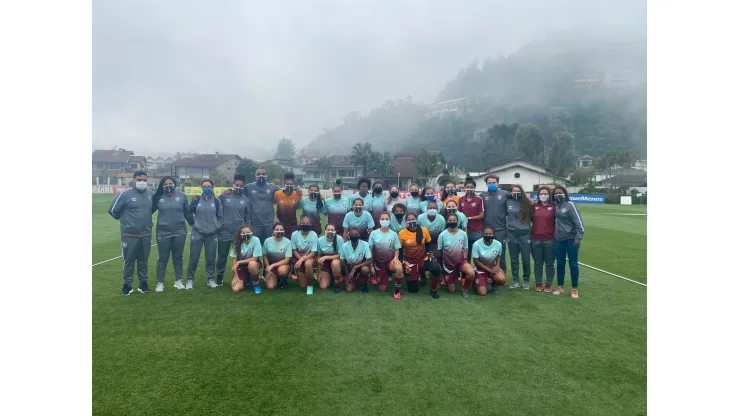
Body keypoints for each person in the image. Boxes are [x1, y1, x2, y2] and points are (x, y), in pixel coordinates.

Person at [108, 171, 154, 295]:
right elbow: (112, 210)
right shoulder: (125, 194)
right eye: (139, 179)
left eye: (144, 180)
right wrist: (127, 223)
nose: (142, 182)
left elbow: (152, 209)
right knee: (129, 262)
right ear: (134, 180)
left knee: (143, 261)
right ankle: (127, 285)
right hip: (129, 235)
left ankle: (143, 284)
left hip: (146, 234)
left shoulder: (150, 194)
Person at [152, 176, 193, 292]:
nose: (168, 186)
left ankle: (178, 281)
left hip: (179, 231)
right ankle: (160, 282)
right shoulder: (158, 197)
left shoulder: (182, 196)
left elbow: (188, 213)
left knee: (178, 257)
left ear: (175, 184)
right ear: (162, 185)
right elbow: (148, 210)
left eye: (171, 183)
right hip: (163, 231)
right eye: (165, 184)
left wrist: (194, 224)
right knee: (162, 258)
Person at [186, 179, 224, 289]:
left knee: (211, 258)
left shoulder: (216, 201)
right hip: (197, 233)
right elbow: (189, 211)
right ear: (201, 188)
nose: (206, 188)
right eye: (204, 186)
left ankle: (210, 279)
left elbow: (221, 217)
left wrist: (216, 227)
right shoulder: (196, 199)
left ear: (212, 188)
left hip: (212, 234)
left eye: (209, 186)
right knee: (194, 257)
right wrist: (194, 224)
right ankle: (189, 280)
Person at [216, 173, 250, 286]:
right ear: (233, 184)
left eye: (241, 185)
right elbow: (215, 205)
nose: (238, 187)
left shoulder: (245, 200)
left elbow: (247, 217)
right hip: (224, 231)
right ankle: (219, 277)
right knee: (222, 255)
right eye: (237, 185)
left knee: (239, 256)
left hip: (239, 233)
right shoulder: (225, 195)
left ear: (244, 186)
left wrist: (247, 231)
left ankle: (239, 276)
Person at [398, 213, 442, 299]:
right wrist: (401, 260)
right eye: (409, 219)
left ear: (416, 220)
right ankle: (420, 276)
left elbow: (428, 243)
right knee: (413, 290)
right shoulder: (402, 233)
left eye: (413, 219)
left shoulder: (424, 230)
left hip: (423, 257)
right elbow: (400, 249)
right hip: (409, 260)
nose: (411, 221)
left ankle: (433, 289)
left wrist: (430, 253)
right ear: (406, 222)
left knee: (436, 267)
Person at [552, 186, 585, 299]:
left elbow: (579, 222)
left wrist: (578, 238)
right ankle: (560, 287)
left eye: (560, 193)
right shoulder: (555, 205)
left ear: (565, 193)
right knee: (560, 263)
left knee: (573, 264)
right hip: (559, 238)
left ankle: (574, 289)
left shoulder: (571, 205)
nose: (558, 195)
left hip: (571, 239)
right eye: (555, 193)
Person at [437, 213, 475, 297]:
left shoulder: (463, 234)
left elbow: (465, 249)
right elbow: (439, 251)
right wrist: (442, 268)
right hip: (448, 265)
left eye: (454, 220)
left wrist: (464, 262)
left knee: (471, 273)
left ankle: (465, 288)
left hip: (460, 261)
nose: (452, 222)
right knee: (452, 291)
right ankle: (447, 278)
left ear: (457, 222)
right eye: (450, 220)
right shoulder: (442, 235)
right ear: (447, 222)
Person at [368, 213, 404, 297]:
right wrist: (371, 265)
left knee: (399, 268)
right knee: (382, 290)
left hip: (390, 261)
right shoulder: (373, 233)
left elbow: (397, 249)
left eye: (387, 219)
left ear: (390, 221)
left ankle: (397, 292)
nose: (384, 221)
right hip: (378, 262)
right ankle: (379, 275)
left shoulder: (394, 234)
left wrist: (395, 258)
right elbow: (370, 250)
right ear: (379, 221)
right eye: (382, 219)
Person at [506, 184, 533, 289]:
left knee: (526, 259)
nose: (516, 193)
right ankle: (516, 280)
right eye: (514, 191)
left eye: (518, 191)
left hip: (525, 234)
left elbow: (533, 218)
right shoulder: (508, 202)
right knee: (514, 259)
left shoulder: (527, 203)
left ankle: (526, 280)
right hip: (512, 234)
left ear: (521, 192)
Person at [482, 174, 510, 277]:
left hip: (500, 230)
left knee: (501, 254)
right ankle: (485, 275)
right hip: (486, 231)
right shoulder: (482, 196)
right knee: (485, 254)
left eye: (494, 182)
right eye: (489, 183)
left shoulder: (505, 194)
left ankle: (502, 275)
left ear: (498, 183)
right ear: (486, 184)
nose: (492, 184)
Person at [244, 168, 280, 246]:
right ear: (255, 176)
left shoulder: (273, 187)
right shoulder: (248, 187)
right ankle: (254, 259)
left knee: (268, 247)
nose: (261, 176)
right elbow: (237, 192)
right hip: (254, 224)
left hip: (269, 224)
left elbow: (285, 192)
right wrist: (229, 190)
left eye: (263, 174)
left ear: (266, 176)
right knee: (253, 247)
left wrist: (297, 189)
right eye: (259, 174)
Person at [531, 187, 556, 292]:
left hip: (549, 239)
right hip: (535, 238)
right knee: (538, 263)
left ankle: (548, 284)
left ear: (549, 195)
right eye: (541, 194)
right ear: (538, 195)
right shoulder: (535, 206)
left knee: (549, 263)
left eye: (545, 193)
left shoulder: (554, 207)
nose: (543, 195)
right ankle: (538, 283)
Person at [471, 227, 507, 296]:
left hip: (492, 266)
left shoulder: (498, 244)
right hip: (480, 268)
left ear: (493, 235)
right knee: (482, 293)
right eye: (486, 234)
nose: (488, 235)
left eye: (490, 234)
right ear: (483, 234)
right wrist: (489, 270)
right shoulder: (476, 244)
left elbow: (498, 257)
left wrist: (497, 266)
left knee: (502, 279)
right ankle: (476, 282)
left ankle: (494, 284)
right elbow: (476, 261)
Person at [230, 224, 263, 294]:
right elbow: (234, 264)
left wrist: (239, 262)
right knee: (236, 289)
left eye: (248, 232)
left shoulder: (256, 240)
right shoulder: (236, 242)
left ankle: (256, 284)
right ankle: (246, 278)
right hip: (241, 268)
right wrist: (236, 276)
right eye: (243, 233)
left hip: (253, 265)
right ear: (240, 234)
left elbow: (255, 258)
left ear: (252, 233)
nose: (246, 234)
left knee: (252, 264)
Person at [458, 176, 485, 261]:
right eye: (467, 187)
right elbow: (458, 214)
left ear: (474, 188)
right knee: (466, 253)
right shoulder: (461, 199)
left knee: (478, 253)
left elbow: (482, 215)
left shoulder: (479, 199)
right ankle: (467, 273)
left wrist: (469, 218)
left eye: (471, 187)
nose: (469, 189)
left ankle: (479, 273)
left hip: (477, 230)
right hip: (465, 230)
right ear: (464, 188)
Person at [291, 216, 319, 295]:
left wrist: (301, 260)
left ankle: (310, 286)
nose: (305, 224)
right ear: (300, 224)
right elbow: (294, 250)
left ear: (310, 225)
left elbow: (313, 252)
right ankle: (302, 274)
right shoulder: (294, 234)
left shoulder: (314, 235)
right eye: (303, 223)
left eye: (307, 223)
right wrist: (300, 259)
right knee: (302, 285)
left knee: (308, 264)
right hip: (299, 257)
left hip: (310, 257)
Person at [340, 227, 373, 293]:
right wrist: (347, 276)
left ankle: (364, 283)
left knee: (365, 269)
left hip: (360, 267)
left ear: (359, 235)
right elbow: (343, 261)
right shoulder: (344, 246)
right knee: (348, 290)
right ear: (348, 236)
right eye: (352, 234)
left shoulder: (365, 244)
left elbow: (369, 260)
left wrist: (355, 267)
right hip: (349, 267)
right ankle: (353, 280)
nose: (354, 236)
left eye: (356, 234)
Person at [261, 222, 293, 290]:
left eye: (281, 230)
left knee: (282, 270)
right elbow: (265, 255)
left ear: (284, 231)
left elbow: (287, 260)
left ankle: (284, 281)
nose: (279, 231)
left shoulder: (288, 242)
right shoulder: (267, 241)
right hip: (271, 265)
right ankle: (276, 277)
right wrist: (267, 267)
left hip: (283, 265)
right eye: (277, 229)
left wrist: (273, 265)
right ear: (273, 231)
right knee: (270, 287)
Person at [317, 224, 344, 292]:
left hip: (335, 261)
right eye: (328, 230)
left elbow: (340, 255)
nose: (330, 231)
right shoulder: (320, 240)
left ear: (335, 231)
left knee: (335, 263)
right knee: (323, 286)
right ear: (325, 231)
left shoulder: (340, 239)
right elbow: (318, 257)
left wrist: (326, 257)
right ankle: (331, 277)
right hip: (325, 264)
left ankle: (336, 284)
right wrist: (319, 272)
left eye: (332, 230)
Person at [273, 172, 302, 237]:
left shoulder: (298, 194)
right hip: (280, 224)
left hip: (293, 225)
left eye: (291, 184)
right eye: (287, 184)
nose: (289, 185)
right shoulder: (278, 194)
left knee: (292, 244)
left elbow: (299, 206)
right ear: (283, 184)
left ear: (294, 184)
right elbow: (273, 202)